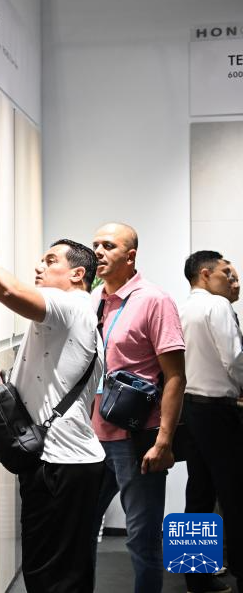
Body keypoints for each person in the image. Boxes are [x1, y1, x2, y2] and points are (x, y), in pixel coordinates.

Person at [0, 200, 104, 593]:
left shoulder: (69, 304)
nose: (39, 267)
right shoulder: (79, 315)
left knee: (51, 579)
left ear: (78, 274)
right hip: (68, 464)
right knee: (64, 575)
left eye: (50, 261)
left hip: (59, 465)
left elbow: (8, 289)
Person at [90, 222, 186, 593]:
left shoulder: (154, 300)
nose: (98, 251)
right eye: (95, 245)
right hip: (93, 436)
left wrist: (164, 442)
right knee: (81, 528)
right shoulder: (95, 300)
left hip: (137, 438)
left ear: (130, 256)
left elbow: (175, 376)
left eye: (108, 245)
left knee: (142, 539)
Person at [179, 251, 243, 593]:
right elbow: (234, 359)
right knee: (235, 495)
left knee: (198, 494)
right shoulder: (217, 305)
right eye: (226, 273)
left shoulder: (183, 307)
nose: (233, 281)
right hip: (219, 409)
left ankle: (196, 578)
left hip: (191, 408)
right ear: (205, 274)